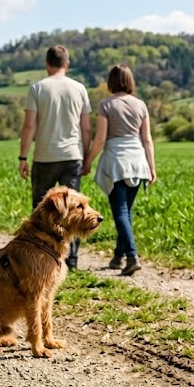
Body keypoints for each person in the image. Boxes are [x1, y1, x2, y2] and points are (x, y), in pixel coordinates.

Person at [18, 45, 92, 269]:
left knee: (42, 211)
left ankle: (40, 255)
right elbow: (86, 128)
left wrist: (23, 157)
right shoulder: (79, 89)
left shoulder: (37, 88)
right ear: (67, 64)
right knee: (76, 210)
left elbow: (29, 126)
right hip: (72, 156)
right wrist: (86, 157)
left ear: (47, 64)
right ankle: (71, 260)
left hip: (45, 156)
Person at [82, 64, 156, 276]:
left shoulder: (106, 105)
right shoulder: (141, 105)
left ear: (111, 82)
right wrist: (152, 167)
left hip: (117, 162)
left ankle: (132, 256)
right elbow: (147, 139)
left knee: (120, 212)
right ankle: (118, 256)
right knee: (126, 212)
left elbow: (100, 139)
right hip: (138, 162)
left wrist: (88, 161)